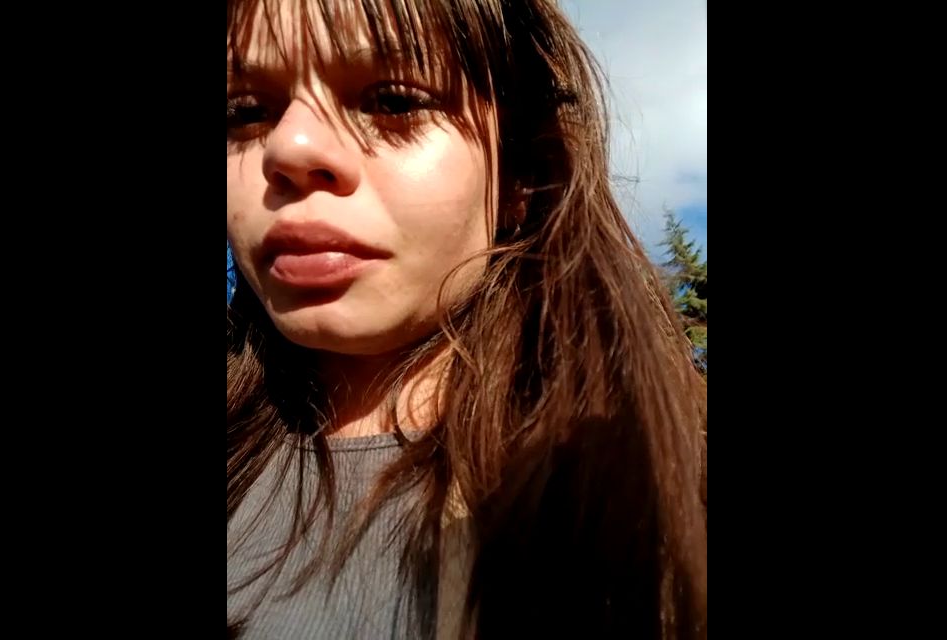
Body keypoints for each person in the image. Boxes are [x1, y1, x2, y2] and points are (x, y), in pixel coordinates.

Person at [227, 1, 707, 638]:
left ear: (520, 178)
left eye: (394, 101)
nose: (287, 148)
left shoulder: (659, 495)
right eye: (245, 112)